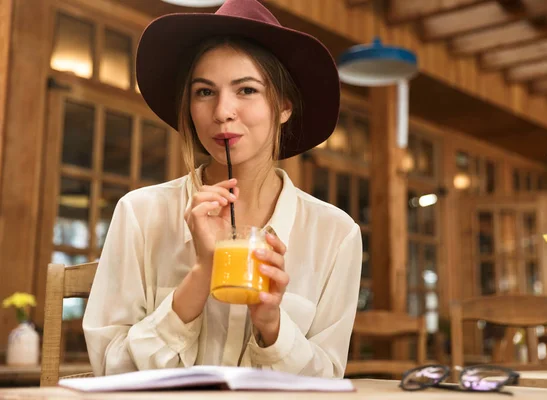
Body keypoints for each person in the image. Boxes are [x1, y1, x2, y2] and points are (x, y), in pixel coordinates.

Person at [83, 0, 362, 379]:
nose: (221, 112)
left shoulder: (336, 234)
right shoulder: (140, 213)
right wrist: (201, 273)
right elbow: (108, 366)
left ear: (283, 106)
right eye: (203, 92)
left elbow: (327, 376)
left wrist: (272, 327)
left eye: (246, 90)